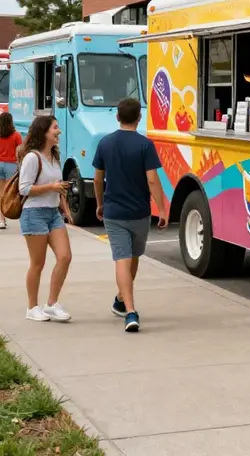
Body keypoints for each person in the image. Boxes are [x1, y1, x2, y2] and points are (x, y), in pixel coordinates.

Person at [93, 97, 168, 333]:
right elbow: (152, 180)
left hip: (114, 212)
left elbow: (98, 179)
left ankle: (121, 300)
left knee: (123, 259)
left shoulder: (105, 143)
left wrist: (99, 203)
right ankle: (131, 310)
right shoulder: (145, 145)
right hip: (140, 212)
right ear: (139, 117)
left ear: (117, 117)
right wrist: (162, 209)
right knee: (130, 258)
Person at [18, 115, 73, 322]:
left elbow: (58, 186)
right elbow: (24, 189)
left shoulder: (54, 156)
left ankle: (51, 304)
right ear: (43, 132)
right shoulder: (32, 158)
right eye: (55, 128)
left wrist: (65, 209)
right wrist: (51, 187)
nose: (59, 131)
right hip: (34, 213)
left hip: (53, 213)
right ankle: (32, 307)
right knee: (38, 263)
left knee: (65, 257)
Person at [0, 112, 22, 230]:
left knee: (1, 194)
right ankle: (16, 214)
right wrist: (19, 166)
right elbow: (19, 152)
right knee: (13, 193)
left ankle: (2, 221)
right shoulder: (16, 135)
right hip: (11, 165)